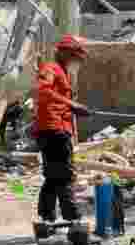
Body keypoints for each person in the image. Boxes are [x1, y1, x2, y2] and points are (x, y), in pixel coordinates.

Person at [34, 35, 92, 223]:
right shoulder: (51, 69)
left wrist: (72, 108)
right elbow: (43, 91)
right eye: (76, 57)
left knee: (52, 176)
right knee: (66, 175)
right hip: (54, 129)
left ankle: (46, 217)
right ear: (66, 53)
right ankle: (73, 218)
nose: (78, 61)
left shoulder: (62, 70)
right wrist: (72, 104)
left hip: (54, 129)